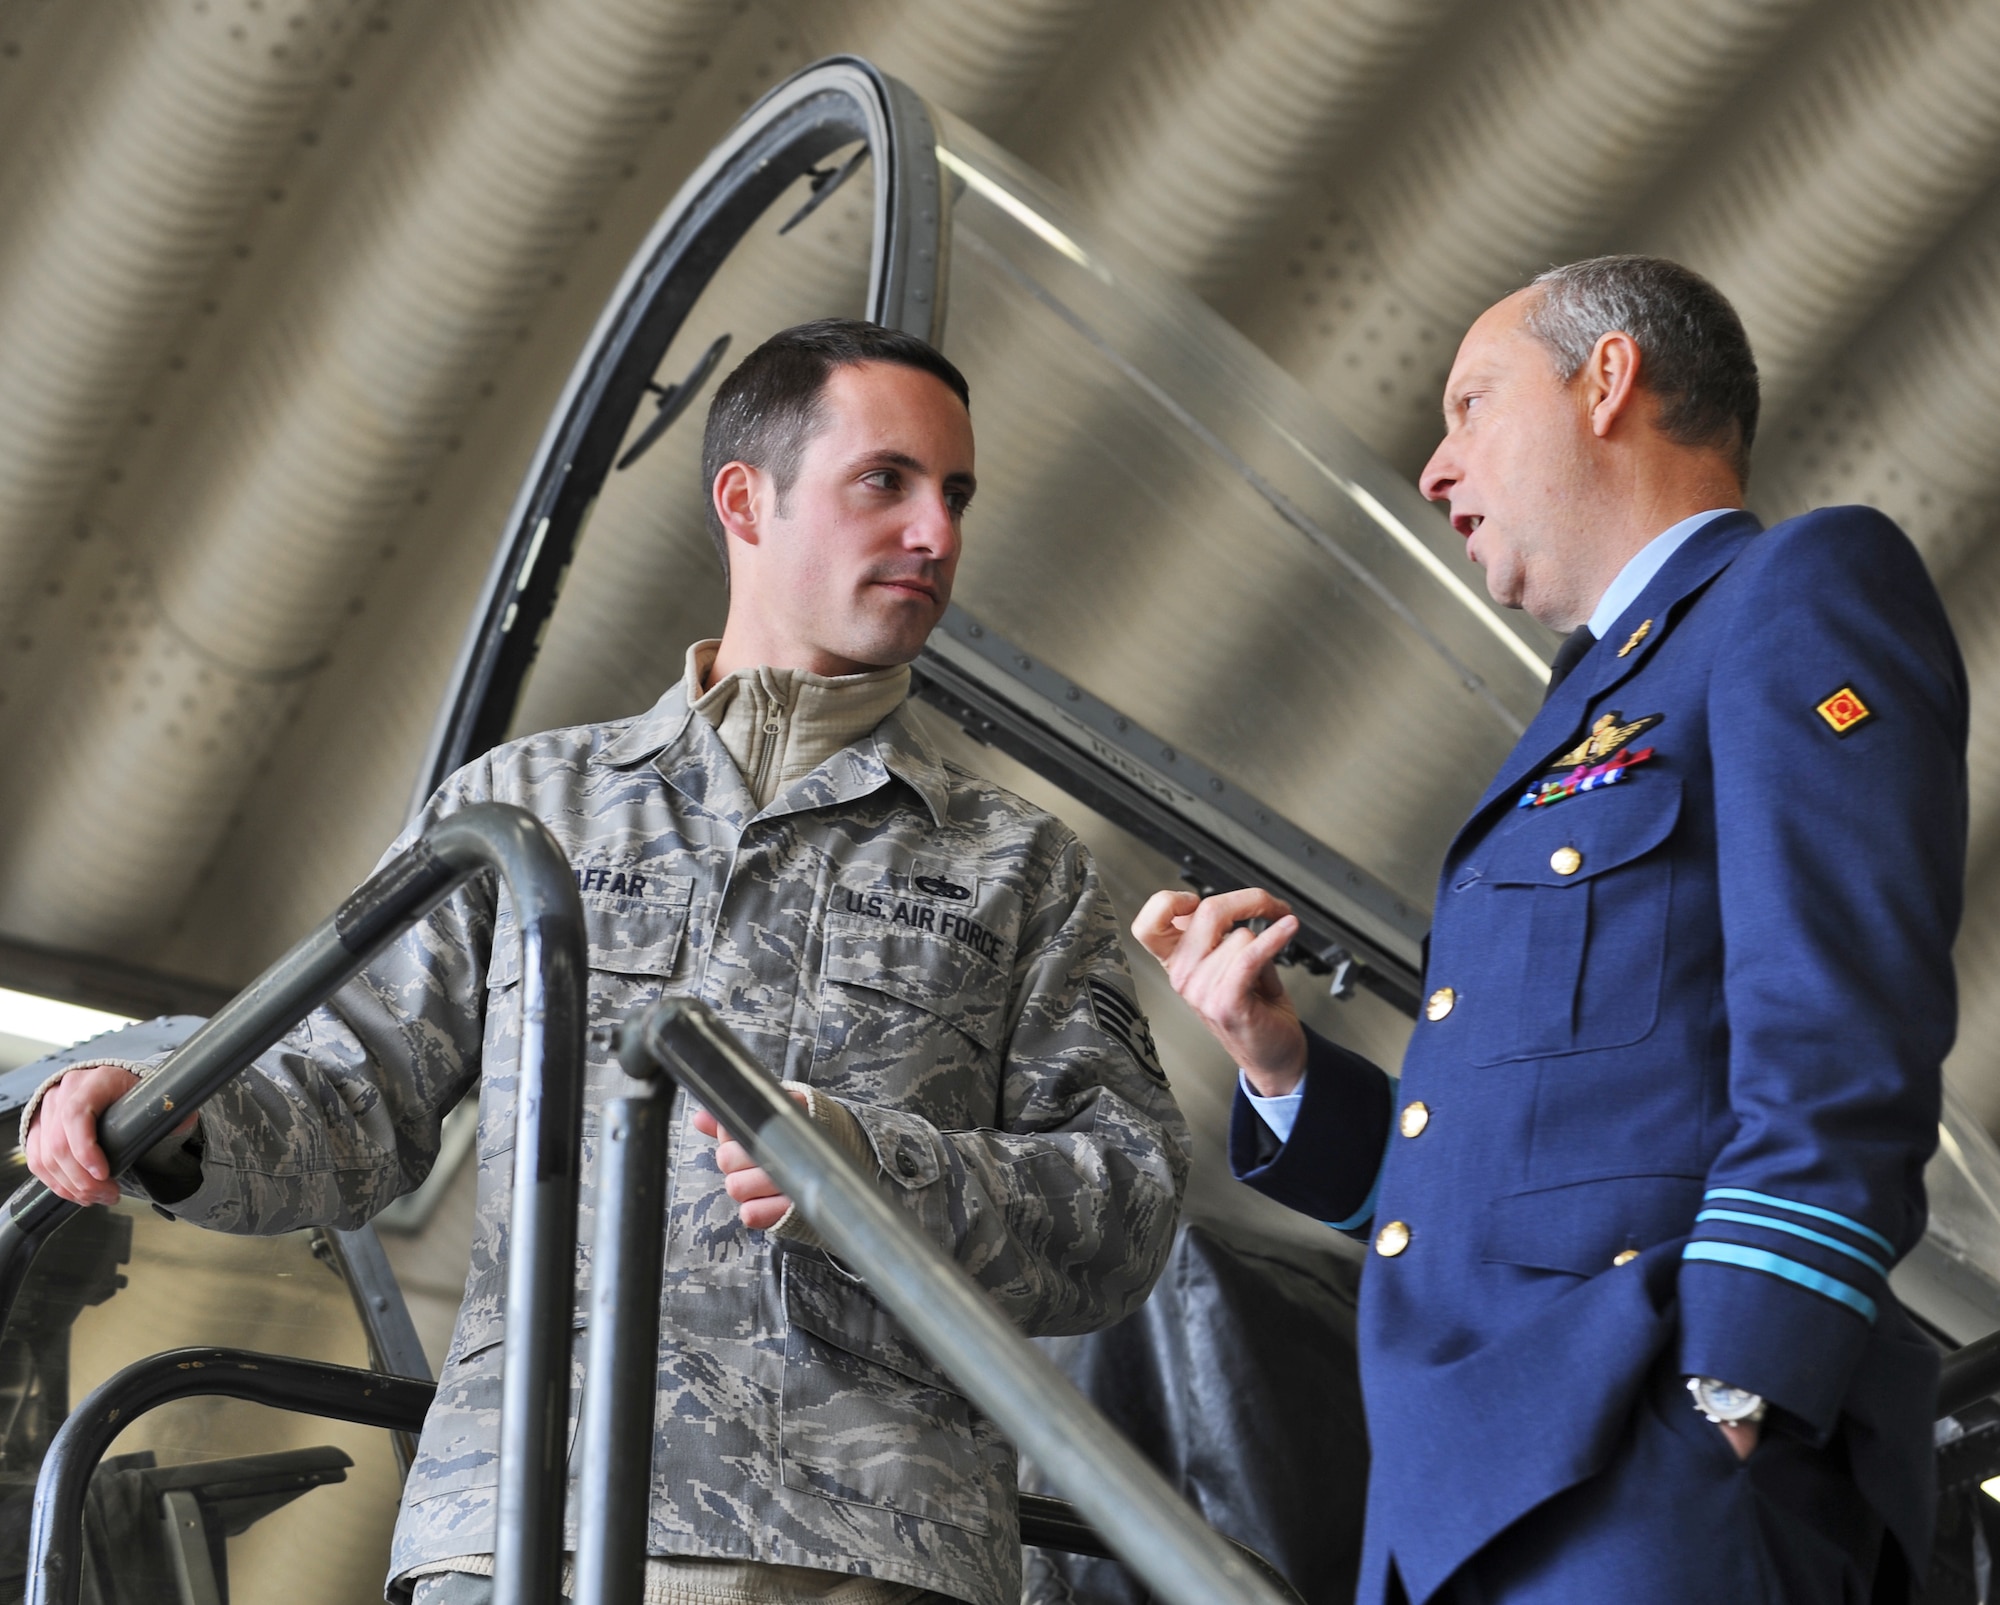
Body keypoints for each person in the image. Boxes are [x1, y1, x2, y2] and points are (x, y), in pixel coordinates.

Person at [24, 319, 1191, 1605]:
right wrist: (165, 1108)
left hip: (861, 1557)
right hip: (518, 1532)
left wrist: (870, 1175)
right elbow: (344, 1085)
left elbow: (1123, 1208)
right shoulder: (533, 808)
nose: (937, 535)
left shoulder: (1016, 864)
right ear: (745, 500)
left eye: (955, 496)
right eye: (887, 482)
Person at [1135, 256, 1964, 1605]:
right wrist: (1282, 1068)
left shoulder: (1794, 592)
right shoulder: (1585, 708)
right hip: (1471, 1500)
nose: (1434, 469)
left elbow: (1842, 1013)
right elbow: (1510, 1173)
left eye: (1469, 407)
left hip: (1655, 1469)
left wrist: (1740, 1378)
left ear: (1609, 380)